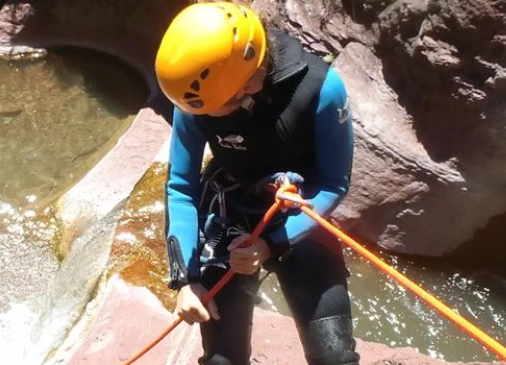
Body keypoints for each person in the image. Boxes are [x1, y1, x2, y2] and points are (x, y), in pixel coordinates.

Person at [154, 2, 360, 365]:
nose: (200, 117)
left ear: (247, 84)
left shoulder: (321, 89)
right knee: (222, 361)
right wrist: (185, 280)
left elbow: (332, 185)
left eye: (213, 109)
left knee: (336, 359)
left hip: (300, 212)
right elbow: (180, 188)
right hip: (231, 210)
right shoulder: (199, 98)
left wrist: (270, 244)